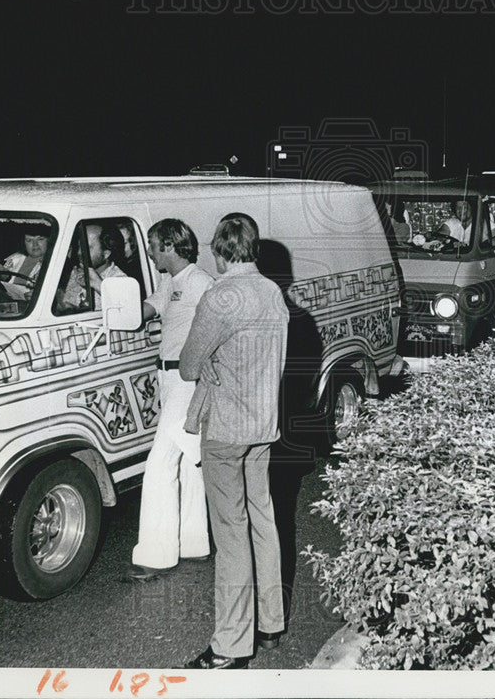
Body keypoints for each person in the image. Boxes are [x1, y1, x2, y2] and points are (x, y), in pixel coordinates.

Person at [178, 213, 288, 670]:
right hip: (264, 426)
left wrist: (208, 366)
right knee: (263, 518)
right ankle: (271, 622)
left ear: (221, 250)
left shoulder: (221, 296)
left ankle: (230, 646)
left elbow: (187, 364)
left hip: (225, 428)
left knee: (230, 534)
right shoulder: (272, 291)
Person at [124, 219, 215, 582]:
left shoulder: (201, 283)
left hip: (187, 379)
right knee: (187, 465)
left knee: (160, 462)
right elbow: (139, 313)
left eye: (152, 245)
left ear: (170, 246)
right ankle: (194, 543)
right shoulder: (170, 282)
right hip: (167, 378)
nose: (148, 251)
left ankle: (155, 555)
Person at [57, 223, 127, 311]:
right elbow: (66, 305)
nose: (79, 252)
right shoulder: (77, 272)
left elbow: (127, 312)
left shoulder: (119, 280)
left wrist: (98, 285)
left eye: (87, 248)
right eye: (79, 246)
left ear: (106, 254)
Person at [0, 224, 50, 300]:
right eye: (29, 240)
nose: (35, 244)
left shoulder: (55, 264)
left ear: (49, 241)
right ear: (24, 243)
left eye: (40, 239)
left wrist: (41, 295)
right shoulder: (14, 259)